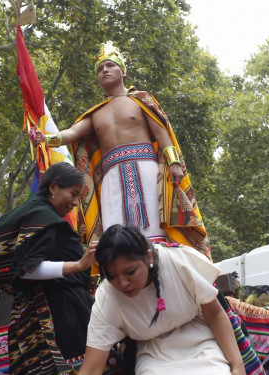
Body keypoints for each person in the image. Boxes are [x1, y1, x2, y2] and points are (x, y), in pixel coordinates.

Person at [38, 41, 209, 258]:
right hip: (111, 178)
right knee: (115, 231)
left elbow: (161, 132)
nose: (104, 71)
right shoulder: (95, 114)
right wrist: (47, 139)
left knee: (156, 228)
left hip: (147, 169)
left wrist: (174, 163)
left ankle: (162, 262)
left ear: (123, 71)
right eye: (100, 69)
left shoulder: (141, 100)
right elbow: (72, 133)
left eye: (110, 65)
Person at [0, 162, 109, 374]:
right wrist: (80, 265)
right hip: (60, 312)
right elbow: (28, 268)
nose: (75, 202)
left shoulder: (34, 213)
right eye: (73, 194)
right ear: (53, 187)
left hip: (36, 309)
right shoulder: (42, 217)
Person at [79, 224, 246, 375]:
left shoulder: (177, 261)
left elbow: (215, 314)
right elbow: (92, 366)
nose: (122, 283)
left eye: (130, 272)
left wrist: (237, 366)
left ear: (149, 258)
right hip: (152, 355)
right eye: (112, 276)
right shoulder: (107, 295)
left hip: (201, 342)